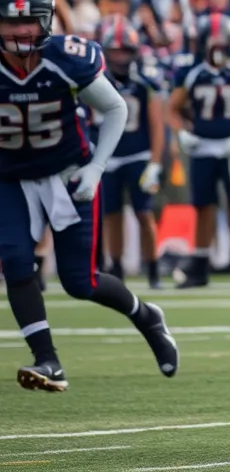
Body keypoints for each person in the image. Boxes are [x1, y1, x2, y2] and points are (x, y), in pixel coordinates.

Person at [0, 0, 178, 392]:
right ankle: (47, 360)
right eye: (10, 22)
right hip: (10, 178)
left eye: (31, 21)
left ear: (47, 21)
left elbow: (115, 108)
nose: (22, 31)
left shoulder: (66, 57)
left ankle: (147, 317)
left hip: (67, 174)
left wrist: (97, 167)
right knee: (15, 262)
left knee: (81, 281)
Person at [167, 13, 230, 289]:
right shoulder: (191, 70)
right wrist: (183, 133)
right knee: (203, 207)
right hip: (201, 147)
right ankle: (200, 267)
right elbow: (171, 109)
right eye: (212, 44)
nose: (216, 50)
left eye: (221, 44)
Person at [96, 16, 165, 288]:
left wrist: (156, 163)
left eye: (125, 50)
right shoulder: (96, 79)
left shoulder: (145, 81)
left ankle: (153, 267)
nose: (120, 56)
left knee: (144, 214)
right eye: (115, 49)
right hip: (108, 157)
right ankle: (117, 266)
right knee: (111, 215)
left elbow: (157, 124)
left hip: (138, 154)